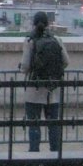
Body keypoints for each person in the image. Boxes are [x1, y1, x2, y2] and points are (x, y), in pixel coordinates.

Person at [20, 10, 70, 152]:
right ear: (48, 24)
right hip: (52, 91)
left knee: (34, 126)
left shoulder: (30, 41)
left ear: (33, 24)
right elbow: (66, 61)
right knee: (53, 126)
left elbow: (25, 66)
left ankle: (35, 155)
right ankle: (55, 154)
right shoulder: (57, 40)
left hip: (34, 91)